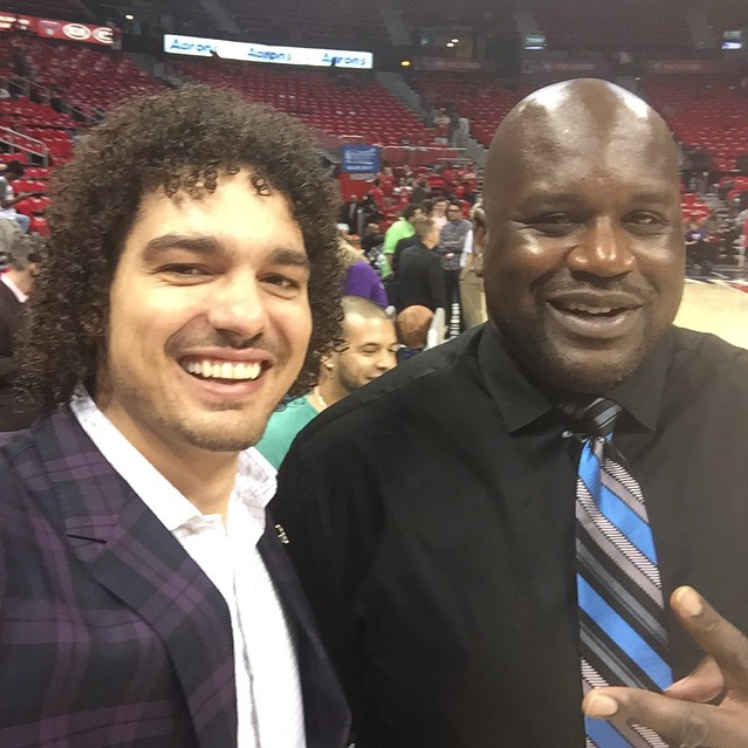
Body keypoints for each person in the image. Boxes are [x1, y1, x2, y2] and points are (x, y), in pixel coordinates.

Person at [271, 79, 748, 748]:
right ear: (482, 240)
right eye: (554, 219)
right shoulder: (348, 463)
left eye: (644, 221)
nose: (605, 259)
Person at [0, 84, 350, 747]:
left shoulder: (277, 518)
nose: (244, 316)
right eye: (188, 267)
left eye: (281, 280)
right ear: (90, 299)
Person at [256, 296, 397, 469]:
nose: (387, 363)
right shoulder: (278, 435)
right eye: (369, 351)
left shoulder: (394, 424)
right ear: (327, 354)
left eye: (392, 351)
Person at [0, 233, 41, 431]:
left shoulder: (30, 301)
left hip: (28, 396)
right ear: (34, 268)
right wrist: (33, 361)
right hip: (9, 407)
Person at [395, 217, 446, 313]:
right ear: (430, 235)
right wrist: (443, 315)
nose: (439, 235)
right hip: (425, 311)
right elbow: (437, 292)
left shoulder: (405, 253)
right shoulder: (433, 258)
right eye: (437, 231)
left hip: (405, 308)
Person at [437, 200, 471, 332]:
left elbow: (462, 245)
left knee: (462, 299)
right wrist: (452, 246)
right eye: (450, 211)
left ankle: (464, 327)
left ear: (461, 212)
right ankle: (447, 325)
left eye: (455, 211)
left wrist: (448, 246)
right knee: (447, 298)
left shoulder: (467, 226)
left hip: (460, 267)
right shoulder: (444, 227)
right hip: (445, 266)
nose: (452, 214)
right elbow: (439, 246)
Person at [459, 203, 487, 329]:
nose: (469, 213)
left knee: (472, 311)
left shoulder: (474, 232)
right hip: (482, 273)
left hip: (471, 273)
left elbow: (471, 256)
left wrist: (462, 277)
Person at [381, 203, 424, 282]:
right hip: (394, 275)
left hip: (408, 274)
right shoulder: (397, 227)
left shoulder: (415, 228)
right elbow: (389, 252)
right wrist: (394, 274)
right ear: (411, 218)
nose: (423, 217)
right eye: (420, 214)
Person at [0, 160, 35, 234]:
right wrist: (19, 198)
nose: (17, 178)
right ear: (12, 172)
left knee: (24, 220)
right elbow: (3, 204)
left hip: (7, 213)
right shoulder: (2, 183)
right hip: (2, 214)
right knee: (25, 220)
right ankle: (17, 240)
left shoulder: (6, 183)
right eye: (17, 175)